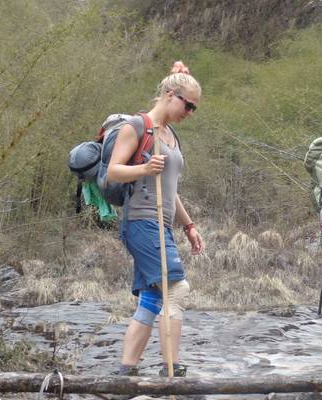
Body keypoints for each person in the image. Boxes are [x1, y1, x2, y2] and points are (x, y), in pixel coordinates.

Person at [107, 61, 205, 377]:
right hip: (140, 221)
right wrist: (145, 169)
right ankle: (171, 371)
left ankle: (126, 372)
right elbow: (114, 170)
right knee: (177, 290)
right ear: (168, 94)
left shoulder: (171, 134)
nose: (189, 112)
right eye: (186, 104)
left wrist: (188, 225)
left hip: (161, 223)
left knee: (152, 297)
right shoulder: (136, 127)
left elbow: (169, 189)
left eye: (194, 108)